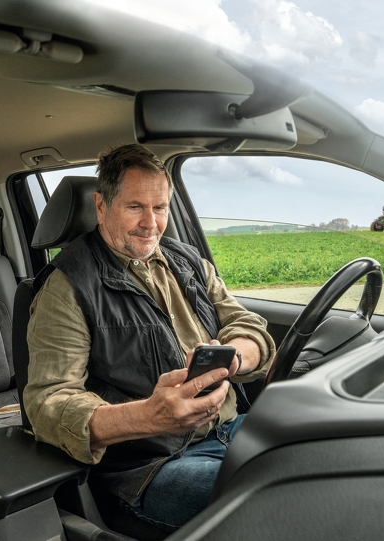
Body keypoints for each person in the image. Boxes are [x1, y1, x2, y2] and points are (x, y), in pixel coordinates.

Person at [24, 143, 276, 532]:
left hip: (231, 428)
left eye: (159, 208)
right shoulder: (69, 286)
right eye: (135, 207)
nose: (151, 223)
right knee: (273, 498)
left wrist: (235, 357)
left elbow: (246, 325)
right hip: (149, 468)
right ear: (101, 206)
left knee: (325, 459)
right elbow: (48, 403)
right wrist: (151, 415)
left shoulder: (189, 261)